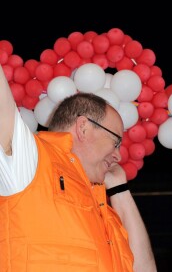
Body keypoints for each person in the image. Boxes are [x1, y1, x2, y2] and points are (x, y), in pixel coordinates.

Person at [0, 64, 157, 272]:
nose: (118, 154)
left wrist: (119, 188)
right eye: (116, 141)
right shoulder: (32, 161)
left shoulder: (103, 209)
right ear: (83, 127)